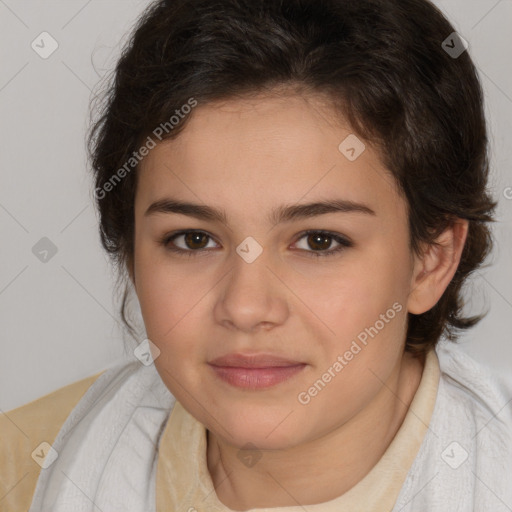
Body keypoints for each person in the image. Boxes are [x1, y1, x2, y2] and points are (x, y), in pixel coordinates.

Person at [2, 0, 511, 510]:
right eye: (193, 239)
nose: (245, 307)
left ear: (430, 260)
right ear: (132, 251)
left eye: (318, 241)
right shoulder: (18, 470)